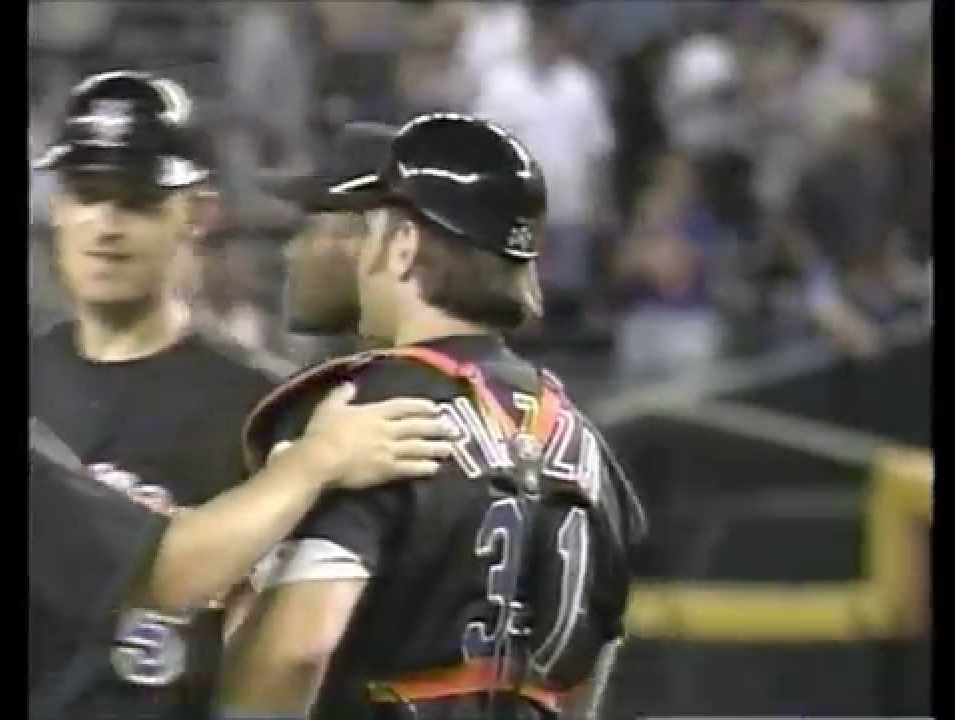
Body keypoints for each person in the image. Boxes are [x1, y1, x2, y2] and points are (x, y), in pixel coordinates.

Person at [29, 71, 452, 720]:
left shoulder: (278, 406)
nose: (106, 225)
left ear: (199, 211)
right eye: (87, 194)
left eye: (136, 200)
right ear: (57, 206)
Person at [223, 113, 647, 720]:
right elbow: (593, 661)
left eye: (372, 228)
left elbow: (298, 648)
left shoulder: (367, 413)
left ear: (402, 246)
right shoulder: (582, 439)